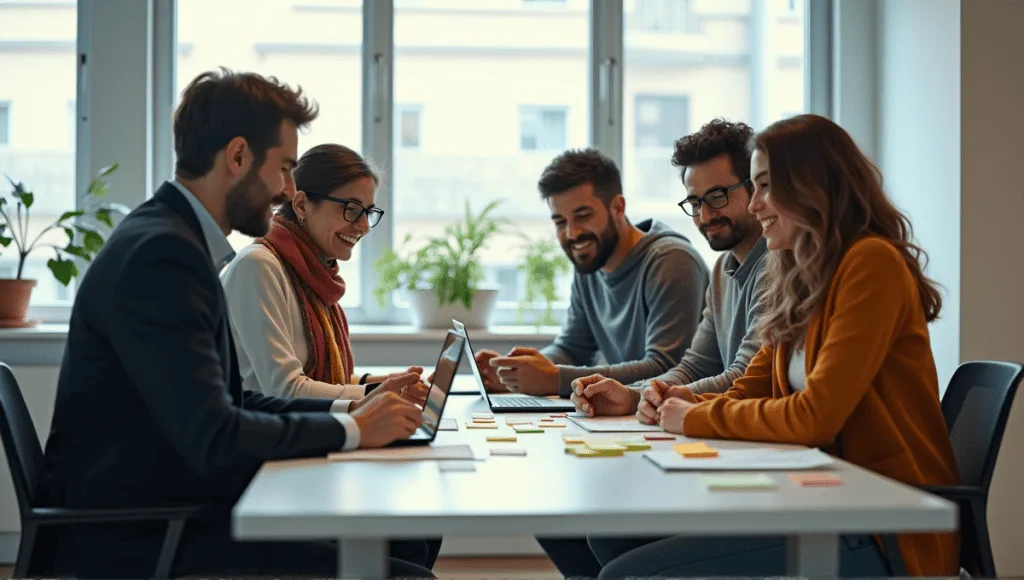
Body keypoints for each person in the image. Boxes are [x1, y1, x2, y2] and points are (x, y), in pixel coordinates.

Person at [39, 69, 434, 579]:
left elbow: (232, 401)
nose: (289, 188)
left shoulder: (173, 239)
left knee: (405, 536)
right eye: (285, 168)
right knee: (405, 571)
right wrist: (353, 427)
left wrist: (354, 417)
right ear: (239, 156)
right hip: (142, 533)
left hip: (172, 504)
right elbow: (216, 435)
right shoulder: (163, 255)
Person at [594, 114, 959, 579]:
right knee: (608, 536)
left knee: (625, 572)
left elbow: (817, 416)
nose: (758, 203)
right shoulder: (800, 274)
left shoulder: (871, 264)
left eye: (764, 186)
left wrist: (698, 415)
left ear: (812, 187)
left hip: (880, 520)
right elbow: (753, 385)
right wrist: (684, 398)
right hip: (815, 497)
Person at [473, 148, 709, 579]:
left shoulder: (671, 262)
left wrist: (553, 379)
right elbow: (574, 346)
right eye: (560, 222)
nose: (572, 233)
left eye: (582, 216)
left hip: (664, 435)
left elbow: (668, 363)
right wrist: (520, 369)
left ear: (618, 207)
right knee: (542, 500)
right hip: (617, 426)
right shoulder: (590, 265)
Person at [570, 119, 768, 424]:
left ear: (754, 189)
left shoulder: (777, 263)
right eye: (695, 202)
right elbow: (694, 367)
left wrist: (663, 397)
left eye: (717, 197)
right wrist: (631, 395)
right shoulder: (722, 270)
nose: (705, 215)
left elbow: (745, 377)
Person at [220, 144, 428, 407]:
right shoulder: (257, 267)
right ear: (302, 204)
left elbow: (321, 381)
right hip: (264, 440)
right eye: (351, 208)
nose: (364, 226)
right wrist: (376, 395)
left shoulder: (312, 273)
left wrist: (382, 384)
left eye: (368, 212)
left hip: (296, 432)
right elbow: (285, 389)